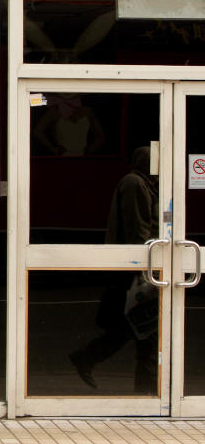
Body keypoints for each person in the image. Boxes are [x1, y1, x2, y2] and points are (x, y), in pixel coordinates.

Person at [68, 146, 159, 394]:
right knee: (146, 332)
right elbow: (137, 231)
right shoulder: (135, 184)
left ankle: (88, 358)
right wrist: (146, 269)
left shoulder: (140, 184)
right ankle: (146, 395)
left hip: (140, 271)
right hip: (137, 272)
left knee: (139, 330)